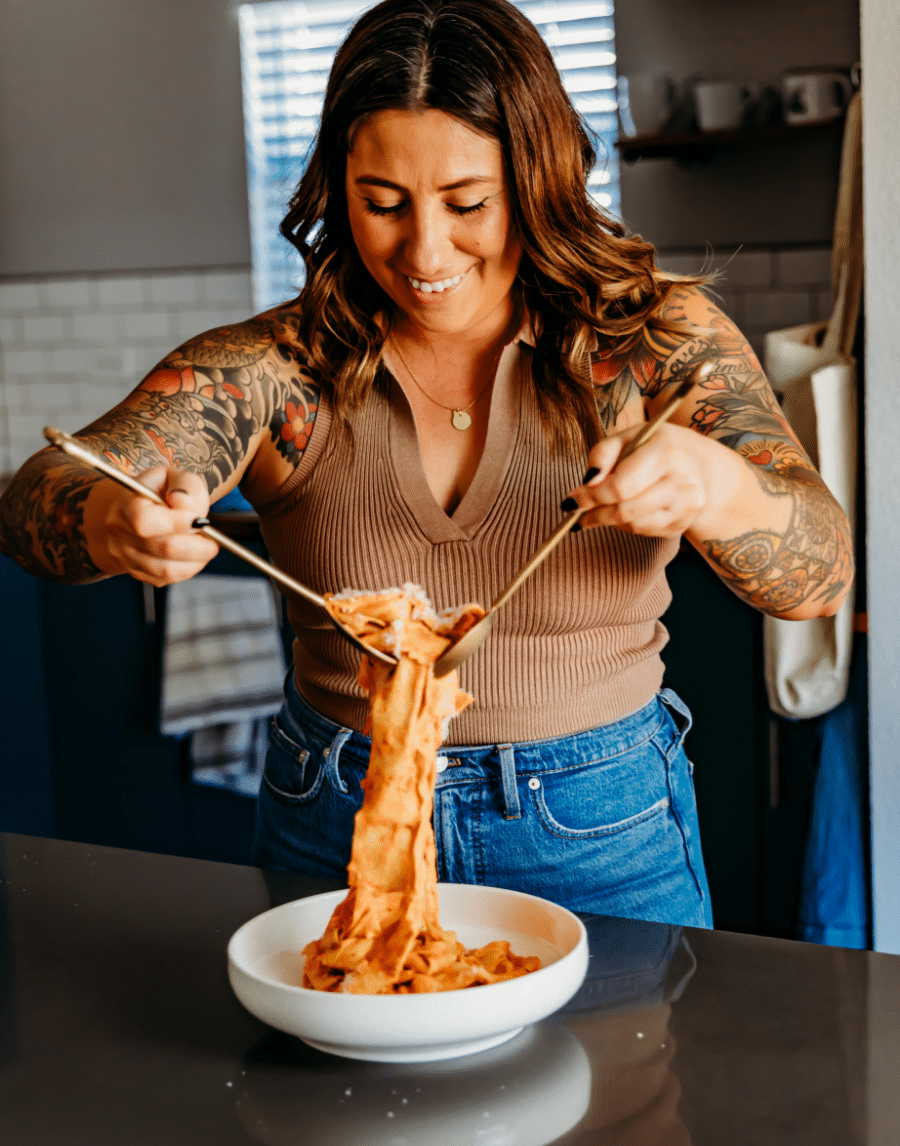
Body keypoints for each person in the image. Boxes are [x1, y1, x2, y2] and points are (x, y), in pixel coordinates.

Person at [0, 0, 852, 929]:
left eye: (467, 203)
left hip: (603, 825)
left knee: (631, 1038)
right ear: (337, 189)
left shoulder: (653, 338)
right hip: (336, 815)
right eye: (382, 204)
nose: (425, 250)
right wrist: (111, 519)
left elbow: (822, 578)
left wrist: (719, 488)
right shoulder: (272, 368)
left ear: (537, 181)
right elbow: (32, 500)